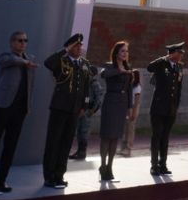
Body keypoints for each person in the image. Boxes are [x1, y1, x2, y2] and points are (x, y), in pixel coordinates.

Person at [0, 30, 38, 195]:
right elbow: (7, 61)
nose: (23, 43)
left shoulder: (30, 59)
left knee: (10, 147)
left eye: (25, 40)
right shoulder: (6, 56)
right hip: (1, 106)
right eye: (19, 40)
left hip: (19, 109)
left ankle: (0, 181)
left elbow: (30, 86)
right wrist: (24, 63)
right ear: (12, 43)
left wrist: (28, 106)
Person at [42, 33, 91, 188]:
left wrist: (85, 105)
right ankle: (49, 176)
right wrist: (65, 51)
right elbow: (48, 63)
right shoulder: (61, 61)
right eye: (75, 45)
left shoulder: (84, 64)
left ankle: (59, 175)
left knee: (66, 143)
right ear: (69, 47)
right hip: (59, 107)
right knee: (53, 142)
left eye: (79, 46)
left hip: (75, 110)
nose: (79, 48)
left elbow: (86, 87)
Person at [146, 42, 184, 176]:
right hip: (159, 106)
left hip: (171, 108)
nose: (181, 55)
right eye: (179, 53)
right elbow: (149, 68)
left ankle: (163, 164)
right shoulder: (162, 64)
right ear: (172, 53)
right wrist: (164, 58)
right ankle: (154, 165)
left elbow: (178, 89)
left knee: (165, 137)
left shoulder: (179, 67)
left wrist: (176, 106)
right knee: (157, 136)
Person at [98, 40, 132, 182]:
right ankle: (103, 165)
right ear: (116, 53)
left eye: (126, 51)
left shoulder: (128, 67)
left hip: (122, 104)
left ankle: (110, 166)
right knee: (107, 135)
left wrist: (129, 107)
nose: (125, 53)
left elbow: (130, 89)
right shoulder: (109, 66)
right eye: (122, 51)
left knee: (116, 136)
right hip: (111, 102)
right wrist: (120, 71)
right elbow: (103, 74)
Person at [71, 58, 101, 161]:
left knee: (84, 132)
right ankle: (79, 151)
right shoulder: (85, 82)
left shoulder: (94, 83)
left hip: (87, 111)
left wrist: (93, 110)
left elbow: (98, 98)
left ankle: (82, 152)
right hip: (80, 109)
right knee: (79, 132)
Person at [120, 69, 142, 156]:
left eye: (132, 75)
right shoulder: (130, 86)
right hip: (127, 107)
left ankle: (128, 148)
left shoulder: (137, 87)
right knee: (125, 128)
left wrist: (134, 113)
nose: (131, 76)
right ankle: (122, 148)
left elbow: (137, 101)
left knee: (130, 129)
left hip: (133, 107)